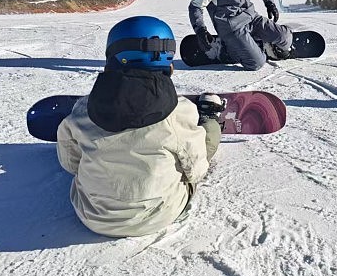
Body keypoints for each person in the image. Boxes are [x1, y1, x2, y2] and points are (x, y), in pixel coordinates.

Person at [56, 16, 225, 237]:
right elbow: (196, 170)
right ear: (168, 60)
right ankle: (210, 117)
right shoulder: (179, 111)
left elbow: (70, 164)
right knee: (202, 143)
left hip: (92, 215)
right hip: (157, 217)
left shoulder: (83, 109)